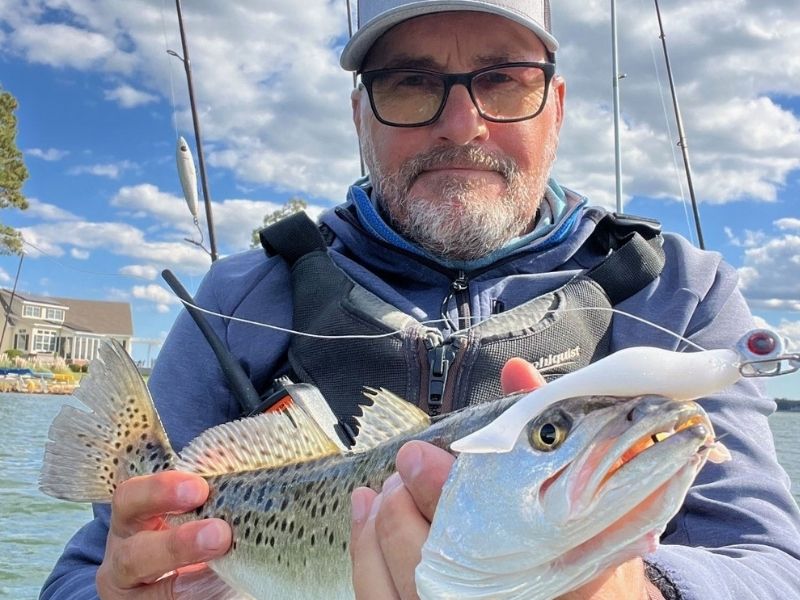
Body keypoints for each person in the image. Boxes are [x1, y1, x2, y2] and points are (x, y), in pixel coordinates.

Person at [42, 1, 800, 598]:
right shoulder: (238, 295)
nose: (462, 124)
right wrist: (122, 591)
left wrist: (638, 596)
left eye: (504, 79)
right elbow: (78, 576)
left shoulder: (686, 293)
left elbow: (774, 568)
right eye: (412, 82)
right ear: (359, 116)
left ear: (557, 107)